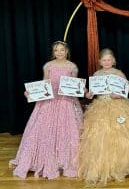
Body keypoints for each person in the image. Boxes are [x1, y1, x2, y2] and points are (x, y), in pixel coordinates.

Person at [9, 41, 83, 179]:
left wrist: (82, 90)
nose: (59, 52)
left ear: (67, 51)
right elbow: (45, 83)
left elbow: (75, 84)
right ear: (53, 52)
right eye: (56, 50)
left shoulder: (72, 66)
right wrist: (31, 92)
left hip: (66, 101)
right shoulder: (48, 66)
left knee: (68, 129)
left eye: (62, 50)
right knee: (43, 129)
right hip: (50, 101)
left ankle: (65, 159)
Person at [78, 48, 129, 187]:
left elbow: (127, 88)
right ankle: (100, 167)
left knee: (120, 137)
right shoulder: (97, 73)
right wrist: (90, 95)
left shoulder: (118, 73)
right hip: (100, 106)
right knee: (99, 137)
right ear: (99, 61)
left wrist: (119, 94)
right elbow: (93, 90)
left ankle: (121, 166)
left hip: (117, 105)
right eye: (104, 60)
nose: (106, 62)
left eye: (109, 60)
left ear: (114, 60)